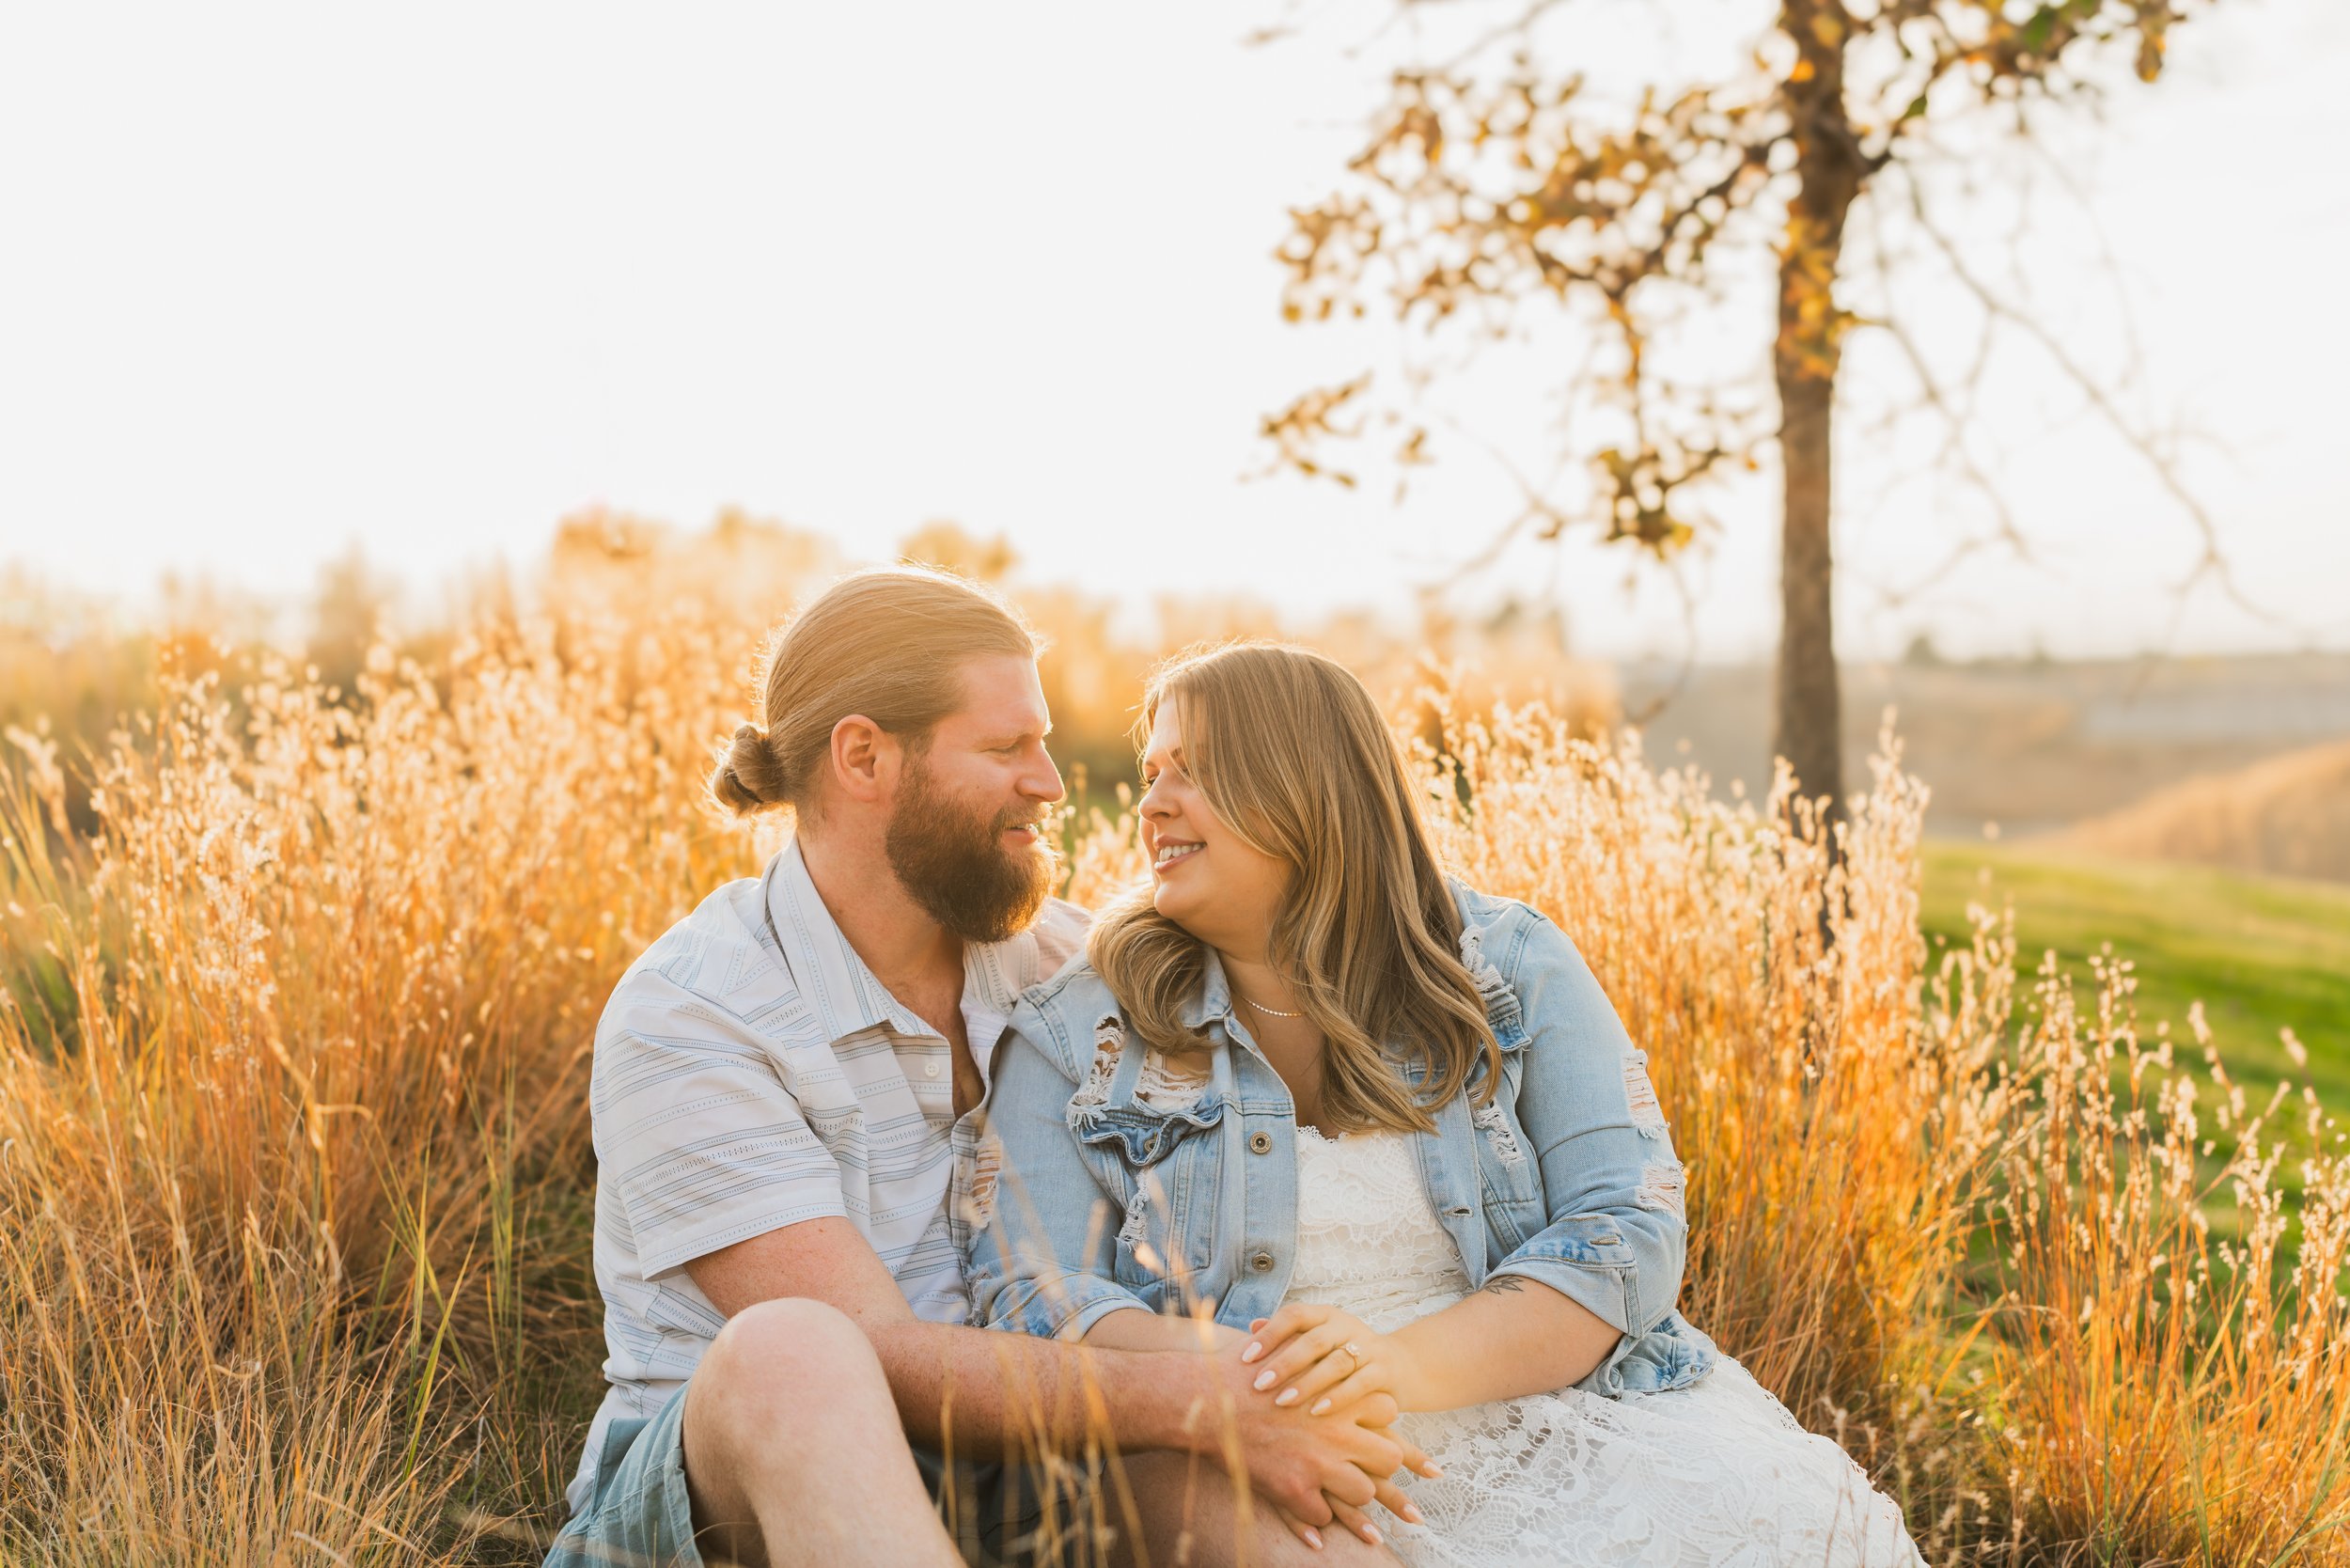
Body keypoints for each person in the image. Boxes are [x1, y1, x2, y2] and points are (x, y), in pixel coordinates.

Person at [965, 640, 1929, 1567]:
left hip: (1567, 1415)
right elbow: (1030, 1292)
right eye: (1150, 772)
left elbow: (1624, 1227)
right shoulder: (1076, 1028)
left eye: (1194, 770)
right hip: (1253, 1448)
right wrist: (1263, 1384)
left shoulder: (1506, 966)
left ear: (1308, 787)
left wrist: (1391, 1367)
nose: (1152, 805)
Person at [545, 572, 1431, 1568]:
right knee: (790, 1353)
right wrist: (1207, 1397)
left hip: (1047, 1469)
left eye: (1044, 743)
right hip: (752, 1500)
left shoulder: (1077, 970)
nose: (1052, 782)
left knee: (1218, 1474)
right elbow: (877, 1354)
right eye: (1008, 747)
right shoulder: (697, 1010)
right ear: (865, 757)